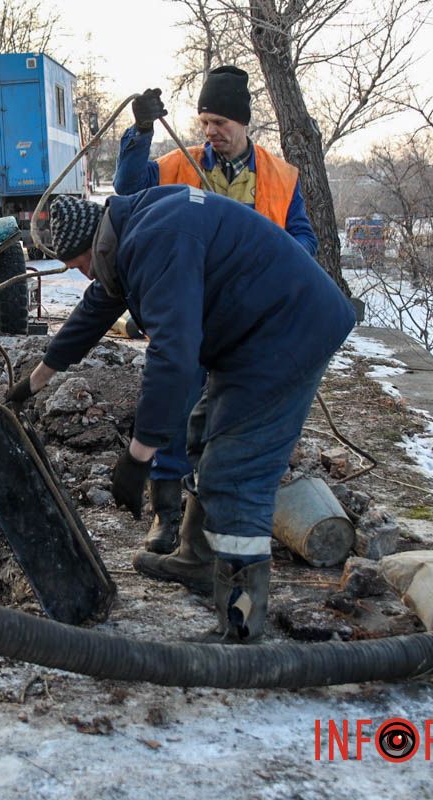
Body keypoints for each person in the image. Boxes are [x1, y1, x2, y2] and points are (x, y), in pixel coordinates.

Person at [8, 192, 354, 641]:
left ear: (96, 246)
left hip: (287, 334)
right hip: (254, 334)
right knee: (202, 432)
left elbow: (173, 355)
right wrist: (32, 383)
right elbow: (95, 310)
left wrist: (138, 456)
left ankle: (242, 624)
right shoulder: (132, 229)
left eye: (80, 265)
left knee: (236, 475)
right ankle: (197, 558)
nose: (84, 275)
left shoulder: (155, 240)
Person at [113, 67, 320, 559]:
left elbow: (304, 237)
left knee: (226, 422)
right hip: (187, 315)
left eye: (220, 122)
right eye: (205, 121)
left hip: (247, 326)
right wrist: (139, 132)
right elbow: (126, 186)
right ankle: (164, 517)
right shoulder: (176, 165)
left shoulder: (280, 176)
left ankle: (202, 524)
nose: (211, 132)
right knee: (174, 404)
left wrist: (283, 265)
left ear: (243, 123)